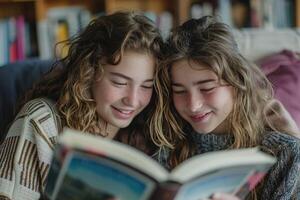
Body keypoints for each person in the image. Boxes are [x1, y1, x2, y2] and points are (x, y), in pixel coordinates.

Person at [0, 11, 165, 200]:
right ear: (89, 72)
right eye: (119, 83)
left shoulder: (144, 131)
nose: (133, 100)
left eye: (146, 86)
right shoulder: (40, 123)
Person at [153, 16, 300, 199]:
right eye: (180, 91)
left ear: (237, 81)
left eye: (207, 88)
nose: (193, 105)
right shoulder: (163, 146)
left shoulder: (284, 153)